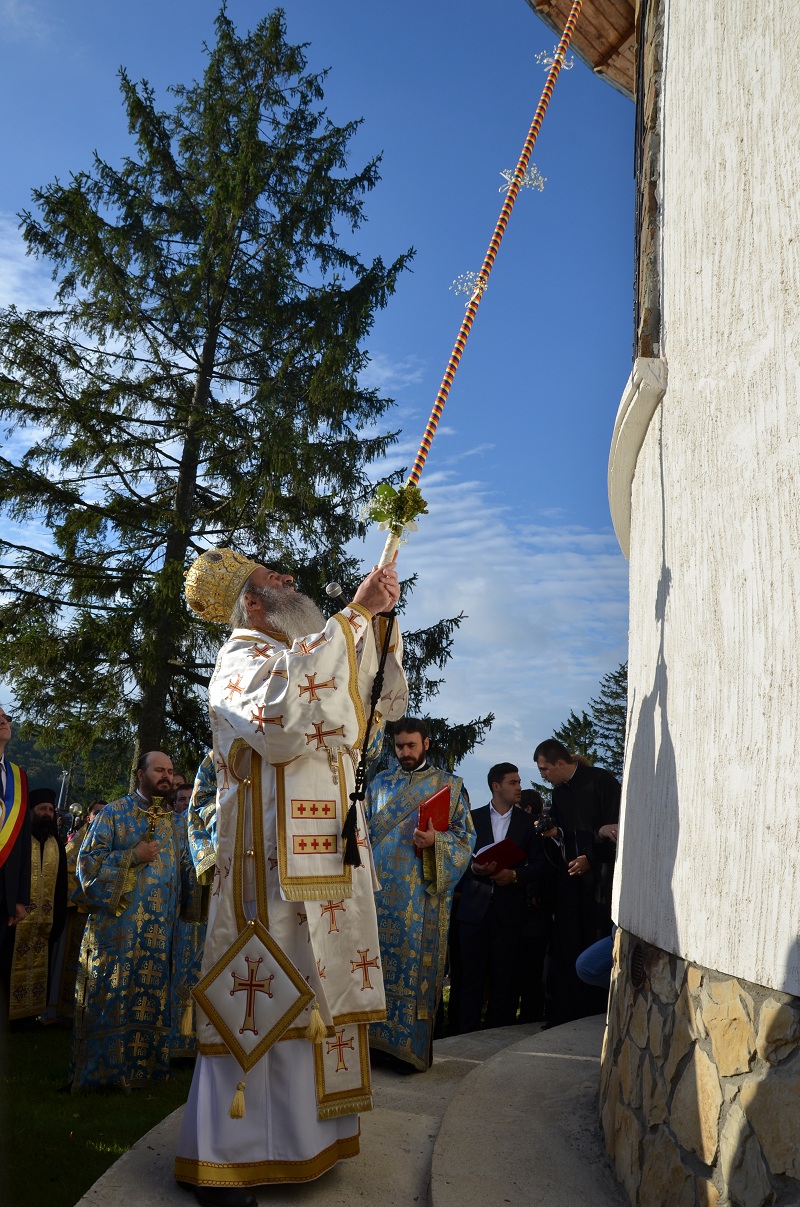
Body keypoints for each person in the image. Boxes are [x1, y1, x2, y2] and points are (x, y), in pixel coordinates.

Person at [175, 548, 407, 1205]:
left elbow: (375, 705)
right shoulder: (240, 664)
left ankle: (306, 1144)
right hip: (265, 877)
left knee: (316, 1002)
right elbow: (282, 721)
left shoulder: (304, 654)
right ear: (250, 604)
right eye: (274, 580)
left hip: (325, 866)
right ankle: (221, 1160)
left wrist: (378, 624)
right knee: (260, 1003)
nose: (289, 582)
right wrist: (355, 614)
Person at [70, 750, 196, 1090]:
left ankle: (148, 1071)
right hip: (116, 931)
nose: (166, 777)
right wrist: (132, 857)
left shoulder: (176, 823)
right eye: (159, 770)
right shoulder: (113, 813)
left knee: (151, 999)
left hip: (158, 934)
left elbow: (188, 871)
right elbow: (88, 866)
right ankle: (104, 1073)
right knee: (112, 996)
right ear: (139, 773)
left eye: (170, 771)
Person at [365, 718, 474, 1071]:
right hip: (377, 900)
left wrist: (435, 842)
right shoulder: (378, 784)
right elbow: (361, 832)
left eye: (411, 745)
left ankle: (407, 1053)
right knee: (372, 968)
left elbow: (465, 841)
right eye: (399, 746)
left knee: (410, 969)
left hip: (419, 901)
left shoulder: (450, 787)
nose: (404, 752)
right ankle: (370, 1046)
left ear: (426, 744)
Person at [533, 739, 621, 1025]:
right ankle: (569, 1013)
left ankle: (597, 1013)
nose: (543, 774)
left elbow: (617, 829)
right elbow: (566, 833)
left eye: (545, 768)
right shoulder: (559, 794)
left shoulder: (600, 780)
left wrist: (591, 859)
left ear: (560, 763)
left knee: (594, 940)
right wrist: (554, 831)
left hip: (601, 882)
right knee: (570, 943)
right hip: (571, 883)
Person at [456, 763, 541, 1033]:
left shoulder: (529, 824)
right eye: (513, 782)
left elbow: (540, 868)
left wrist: (514, 876)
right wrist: (473, 868)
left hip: (510, 915)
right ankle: (462, 1038)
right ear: (496, 786)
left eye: (519, 782)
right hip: (473, 913)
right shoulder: (472, 819)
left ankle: (496, 1042)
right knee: (468, 979)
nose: (519, 787)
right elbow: (457, 862)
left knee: (504, 981)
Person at [7, 787, 68, 1022]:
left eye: (50, 810)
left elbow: (61, 889)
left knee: (39, 972)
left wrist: (57, 925)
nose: (47, 814)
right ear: (31, 811)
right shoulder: (20, 842)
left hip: (44, 925)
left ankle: (30, 1015)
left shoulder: (57, 845)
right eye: (42, 808)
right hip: (17, 921)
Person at [55, 800, 106, 1020]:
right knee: (72, 961)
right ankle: (66, 1008)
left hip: (103, 912)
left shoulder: (111, 839)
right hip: (80, 911)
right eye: (97, 813)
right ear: (88, 817)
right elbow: (67, 871)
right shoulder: (78, 841)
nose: (101, 817)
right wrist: (86, 898)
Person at [0, 706, 31, 1025]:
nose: (3, 719)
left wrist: (20, 896)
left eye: (5, 716)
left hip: (4, 894)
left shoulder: (18, 777)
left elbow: (21, 840)